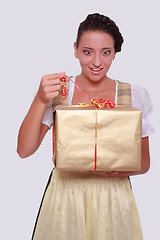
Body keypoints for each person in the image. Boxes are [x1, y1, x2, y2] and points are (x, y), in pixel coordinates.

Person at [17, 13, 154, 240]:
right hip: (65, 195)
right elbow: (24, 150)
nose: (97, 62)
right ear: (76, 49)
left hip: (114, 196)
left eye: (106, 52)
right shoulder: (59, 91)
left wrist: (111, 170)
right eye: (88, 52)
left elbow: (144, 163)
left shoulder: (133, 95)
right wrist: (40, 99)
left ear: (115, 53)